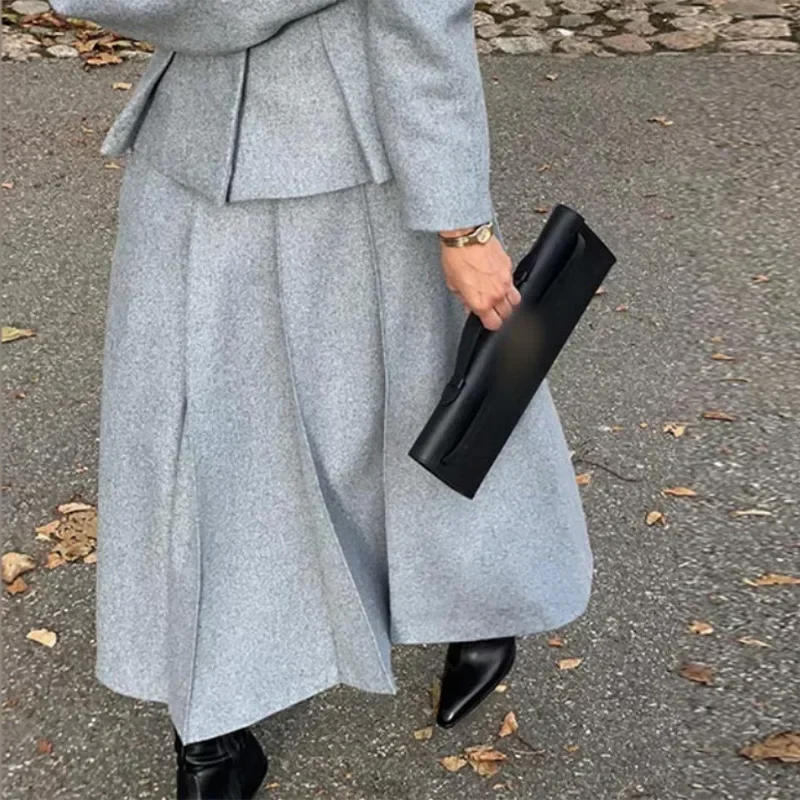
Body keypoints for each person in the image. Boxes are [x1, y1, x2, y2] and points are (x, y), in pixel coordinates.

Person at [49, 1, 594, 797]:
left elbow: (422, 22)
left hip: (362, 148)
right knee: (191, 436)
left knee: (427, 391)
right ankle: (210, 722)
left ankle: (482, 598)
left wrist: (461, 225)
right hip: (196, 151)